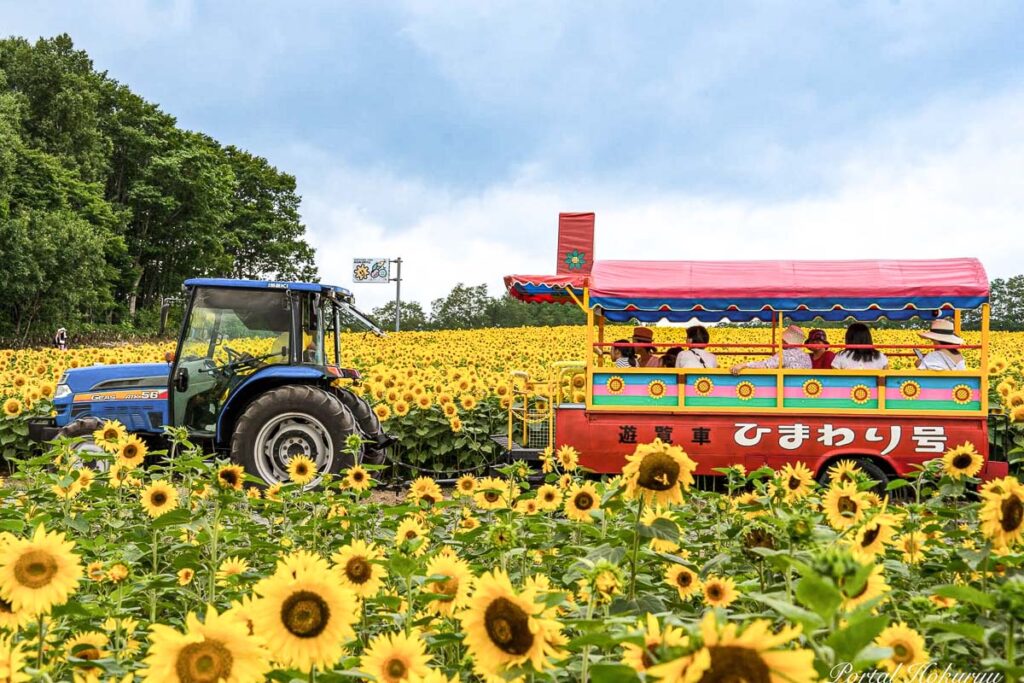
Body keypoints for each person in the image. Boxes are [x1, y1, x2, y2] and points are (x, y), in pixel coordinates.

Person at [731, 324, 812, 373]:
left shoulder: (785, 354)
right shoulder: (806, 356)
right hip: (802, 390)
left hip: (786, 390)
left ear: (785, 341)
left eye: (782, 340)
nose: (780, 341)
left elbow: (766, 365)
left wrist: (744, 364)